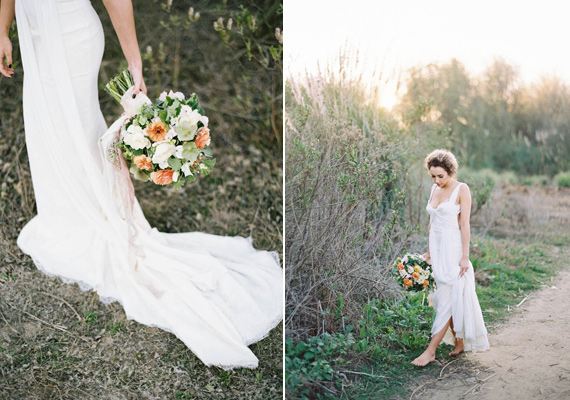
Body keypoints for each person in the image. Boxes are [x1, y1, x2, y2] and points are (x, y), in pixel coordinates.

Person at [0, 0, 282, 370]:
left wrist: (134, 59)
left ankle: (93, 219)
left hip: (69, 38)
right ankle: (65, 219)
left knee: (75, 131)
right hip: (35, 38)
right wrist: (3, 30)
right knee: (48, 128)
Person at [411, 149, 489, 367]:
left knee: (445, 296)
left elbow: (464, 224)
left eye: (440, 176)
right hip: (437, 248)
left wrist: (465, 257)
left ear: (450, 171)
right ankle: (459, 341)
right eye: (432, 176)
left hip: (453, 248)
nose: (436, 180)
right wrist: (428, 252)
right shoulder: (434, 189)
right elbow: (431, 225)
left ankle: (430, 351)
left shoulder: (461, 189)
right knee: (445, 294)